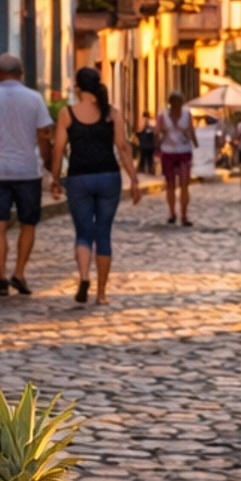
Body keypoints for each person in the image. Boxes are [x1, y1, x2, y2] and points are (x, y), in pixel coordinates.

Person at [50, 65, 142, 306]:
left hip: (79, 178)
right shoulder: (112, 113)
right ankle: (101, 294)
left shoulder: (67, 114)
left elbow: (58, 149)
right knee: (103, 233)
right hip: (109, 177)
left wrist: (55, 178)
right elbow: (122, 148)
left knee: (83, 233)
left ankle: (83, 278)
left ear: (78, 87)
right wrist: (133, 179)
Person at [0, 53, 54, 296]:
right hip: (27, 170)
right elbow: (43, 135)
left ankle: (2, 277)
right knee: (28, 223)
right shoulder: (35, 99)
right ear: (21, 74)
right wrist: (48, 163)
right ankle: (20, 272)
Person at [154, 90, 196, 227]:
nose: (177, 105)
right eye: (174, 103)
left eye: (179, 103)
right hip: (168, 151)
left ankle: (184, 214)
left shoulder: (187, 114)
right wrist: (158, 141)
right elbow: (157, 132)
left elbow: (191, 129)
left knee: (184, 184)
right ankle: (172, 213)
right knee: (170, 184)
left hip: (184, 151)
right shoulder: (163, 116)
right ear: (170, 103)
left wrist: (194, 141)